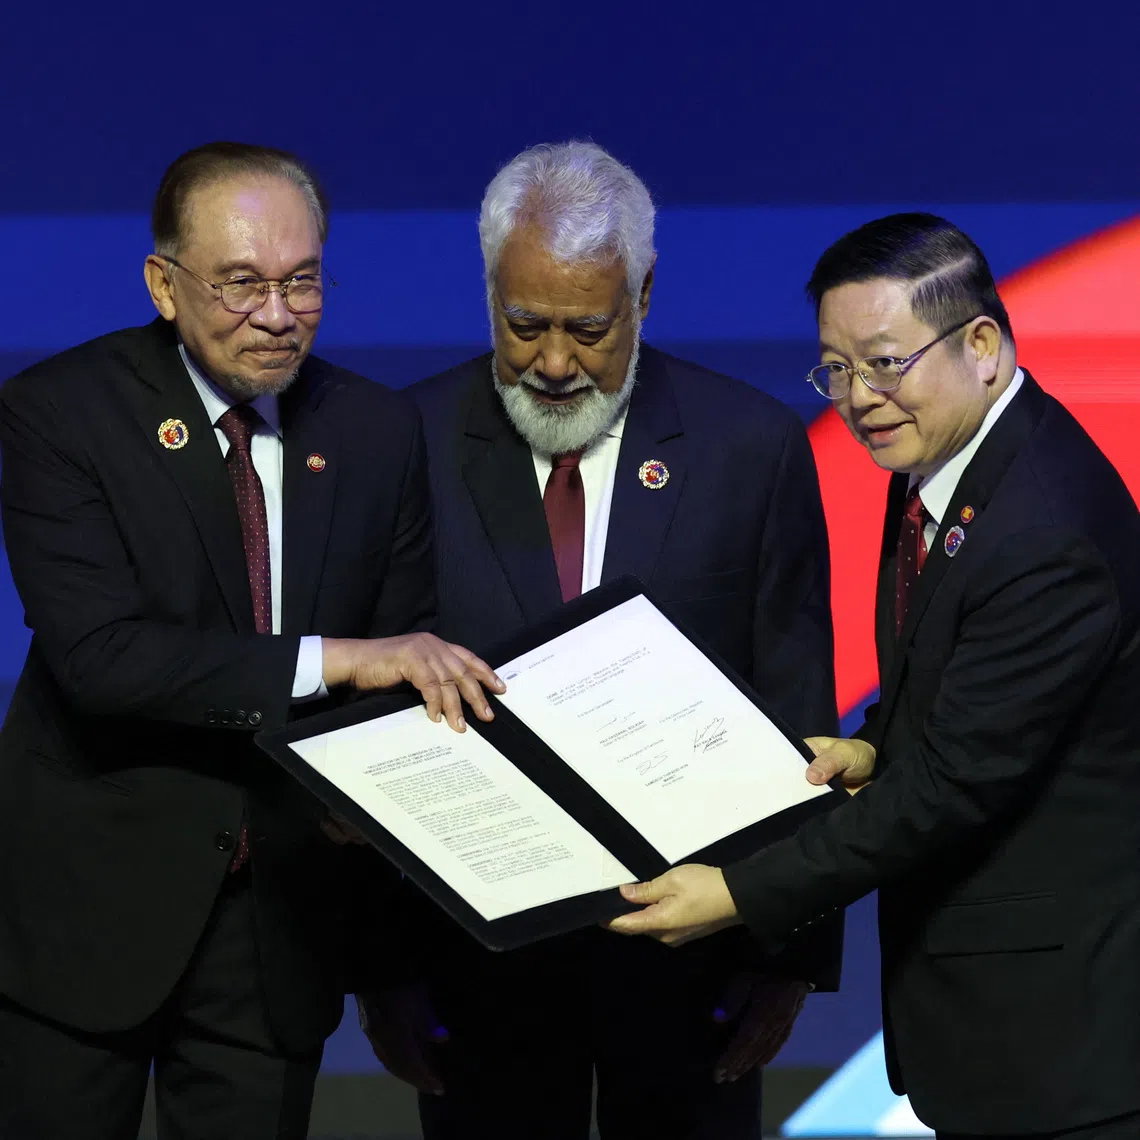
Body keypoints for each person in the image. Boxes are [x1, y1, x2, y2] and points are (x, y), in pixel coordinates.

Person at [0, 141, 500, 1140]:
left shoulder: (372, 429)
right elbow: (101, 659)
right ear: (163, 284)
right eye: (240, 285)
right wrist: (340, 659)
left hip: (280, 919)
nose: (277, 316)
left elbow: (407, 653)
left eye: (302, 281)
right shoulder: (59, 414)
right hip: (90, 913)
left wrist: (379, 769)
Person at [608, 213, 1140, 1139]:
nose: (858, 398)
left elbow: (950, 790)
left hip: (1063, 1046)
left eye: (885, 363)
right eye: (836, 369)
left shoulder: (1047, 528)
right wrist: (873, 743)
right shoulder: (954, 457)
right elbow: (956, 674)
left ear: (981, 344)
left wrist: (739, 895)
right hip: (1000, 1028)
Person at [357, 141, 841, 1140]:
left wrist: (787, 955)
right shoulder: (405, 444)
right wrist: (382, 971)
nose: (554, 363)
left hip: (693, 967)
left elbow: (798, 700)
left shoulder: (748, 447)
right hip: (473, 973)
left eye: (587, 327)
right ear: (489, 290)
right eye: (523, 324)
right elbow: (366, 719)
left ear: (645, 296)